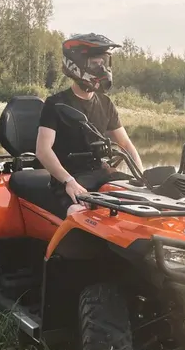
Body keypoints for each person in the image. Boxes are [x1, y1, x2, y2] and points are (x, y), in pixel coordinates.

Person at [36, 33, 144, 216]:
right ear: (76, 65)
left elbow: (125, 144)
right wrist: (68, 181)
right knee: (79, 214)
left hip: (101, 173)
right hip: (68, 178)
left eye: (103, 62)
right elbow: (43, 150)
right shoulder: (56, 104)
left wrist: (141, 176)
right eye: (95, 63)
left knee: (140, 203)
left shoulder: (105, 103)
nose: (102, 68)